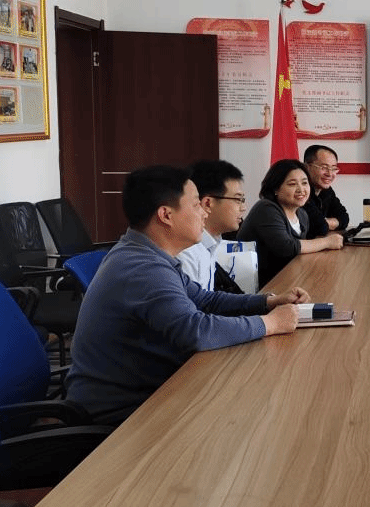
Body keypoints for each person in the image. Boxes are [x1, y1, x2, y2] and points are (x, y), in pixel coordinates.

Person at [65, 165, 309, 424]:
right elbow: (195, 331)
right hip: (121, 415)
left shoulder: (147, 254)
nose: (204, 212)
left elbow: (205, 300)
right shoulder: (143, 268)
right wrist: (269, 324)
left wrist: (267, 302)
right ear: (166, 215)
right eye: (195, 205)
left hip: (151, 392)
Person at [239, 159, 344, 289]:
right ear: (276, 188)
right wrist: (327, 242)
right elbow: (287, 248)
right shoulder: (266, 209)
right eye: (292, 184)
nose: (301, 189)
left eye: (305, 183)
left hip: (288, 281)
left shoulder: (302, 214)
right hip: (259, 289)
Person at [177, 160, 248, 293]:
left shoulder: (210, 244)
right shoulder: (187, 252)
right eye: (238, 199)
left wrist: (266, 300)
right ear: (208, 204)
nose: (243, 208)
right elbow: (194, 305)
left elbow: (209, 300)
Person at [303, 144, 350, 231]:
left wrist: (325, 223)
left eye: (333, 169)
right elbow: (317, 225)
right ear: (307, 167)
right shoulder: (301, 191)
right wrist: (325, 223)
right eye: (324, 168)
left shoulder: (327, 190)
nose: (329, 174)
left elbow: (344, 218)